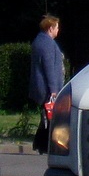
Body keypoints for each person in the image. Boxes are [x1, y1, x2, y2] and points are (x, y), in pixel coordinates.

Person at [29, 15, 65, 154]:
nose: (58, 30)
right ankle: (44, 144)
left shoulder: (39, 41)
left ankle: (41, 144)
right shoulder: (47, 44)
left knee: (46, 118)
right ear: (50, 28)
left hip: (42, 88)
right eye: (57, 27)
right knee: (50, 119)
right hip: (47, 89)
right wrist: (53, 89)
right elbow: (49, 67)